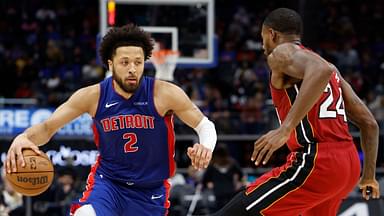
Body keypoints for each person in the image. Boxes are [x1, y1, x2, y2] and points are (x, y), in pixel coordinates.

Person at [5, 24, 217, 216]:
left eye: (138, 62)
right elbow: (47, 127)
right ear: (110, 64)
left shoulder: (164, 93)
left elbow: (205, 125)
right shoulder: (92, 96)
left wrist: (205, 147)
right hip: (109, 185)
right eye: (125, 62)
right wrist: (24, 137)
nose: (132, 68)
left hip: (150, 191)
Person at [211, 8, 380, 216]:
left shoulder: (282, 53)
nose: (263, 45)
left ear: (271, 34)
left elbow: (320, 70)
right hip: (348, 164)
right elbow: (369, 124)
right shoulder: (331, 67)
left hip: (318, 162)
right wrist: (369, 176)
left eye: (262, 37)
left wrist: (285, 129)